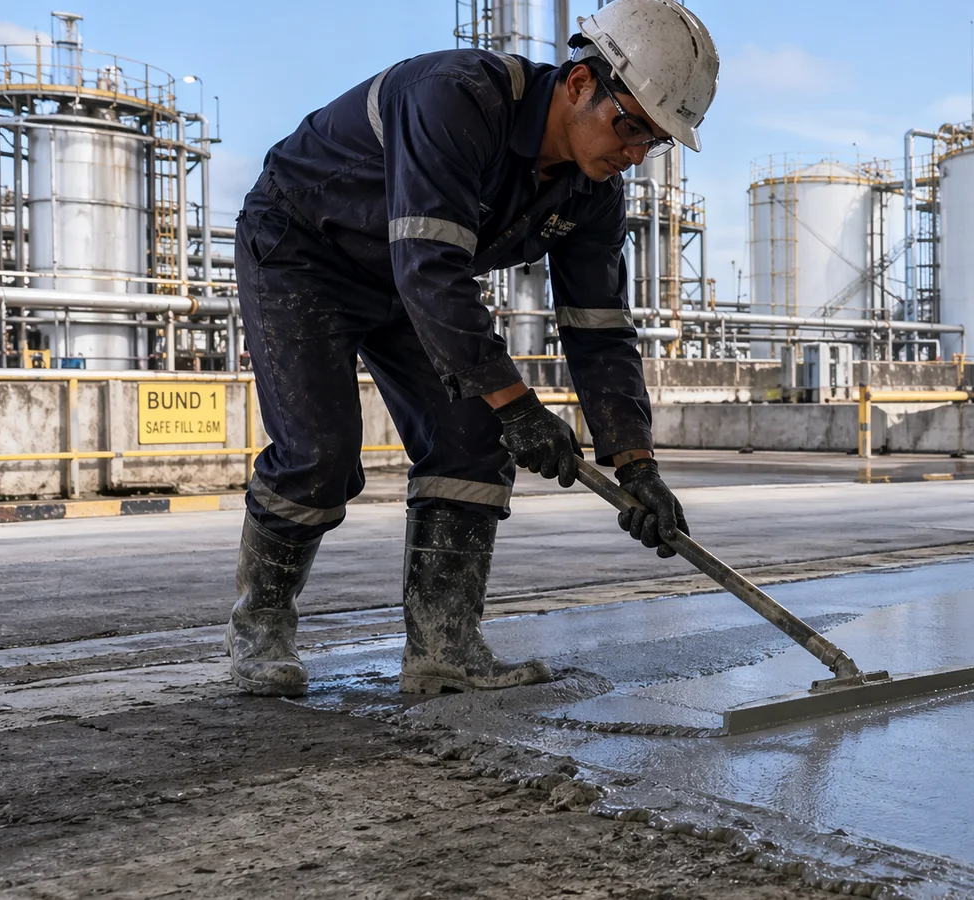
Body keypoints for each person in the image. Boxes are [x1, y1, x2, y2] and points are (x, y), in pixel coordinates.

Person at [226, 0, 719, 698]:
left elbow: (600, 330)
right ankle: (261, 631)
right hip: (303, 250)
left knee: (470, 441)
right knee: (319, 453)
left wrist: (636, 463)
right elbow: (430, 266)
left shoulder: (592, 195)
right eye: (631, 125)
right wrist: (519, 406)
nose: (636, 153)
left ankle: (444, 648)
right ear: (581, 84)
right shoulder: (457, 98)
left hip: (408, 283)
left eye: (656, 141)